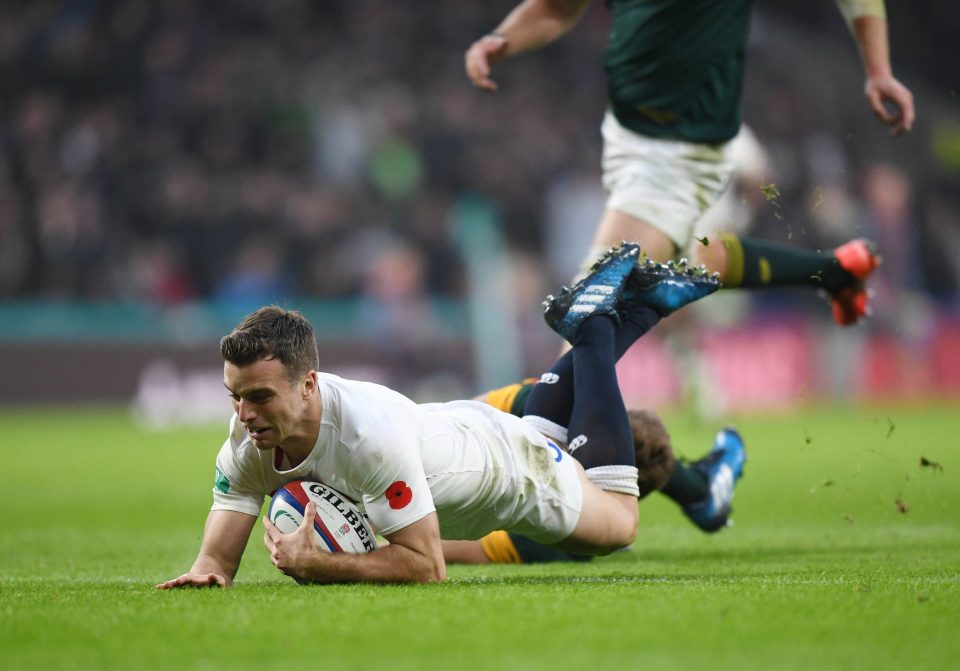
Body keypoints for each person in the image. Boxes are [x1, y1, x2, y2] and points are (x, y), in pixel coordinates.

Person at [156, 242, 720, 586]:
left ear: (307, 386)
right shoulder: (249, 433)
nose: (243, 412)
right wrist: (209, 569)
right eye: (236, 395)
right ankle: (643, 308)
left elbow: (426, 566)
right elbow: (229, 515)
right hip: (459, 427)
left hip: (509, 471)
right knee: (544, 428)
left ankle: (596, 325)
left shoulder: (364, 438)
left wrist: (320, 564)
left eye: (258, 397)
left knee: (619, 527)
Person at [464, 0, 915, 325]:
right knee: (692, 261)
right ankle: (836, 271)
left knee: (587, 316)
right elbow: (556, 8)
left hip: (682, 147)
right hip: (626, 138)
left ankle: (550, 447)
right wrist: (502, 38)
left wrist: (879, 69)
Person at [443, 394, 746, 564]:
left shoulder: (552, 534)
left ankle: (699, 492)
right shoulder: (569, 538)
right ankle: (699, 492)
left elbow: (452, 416)